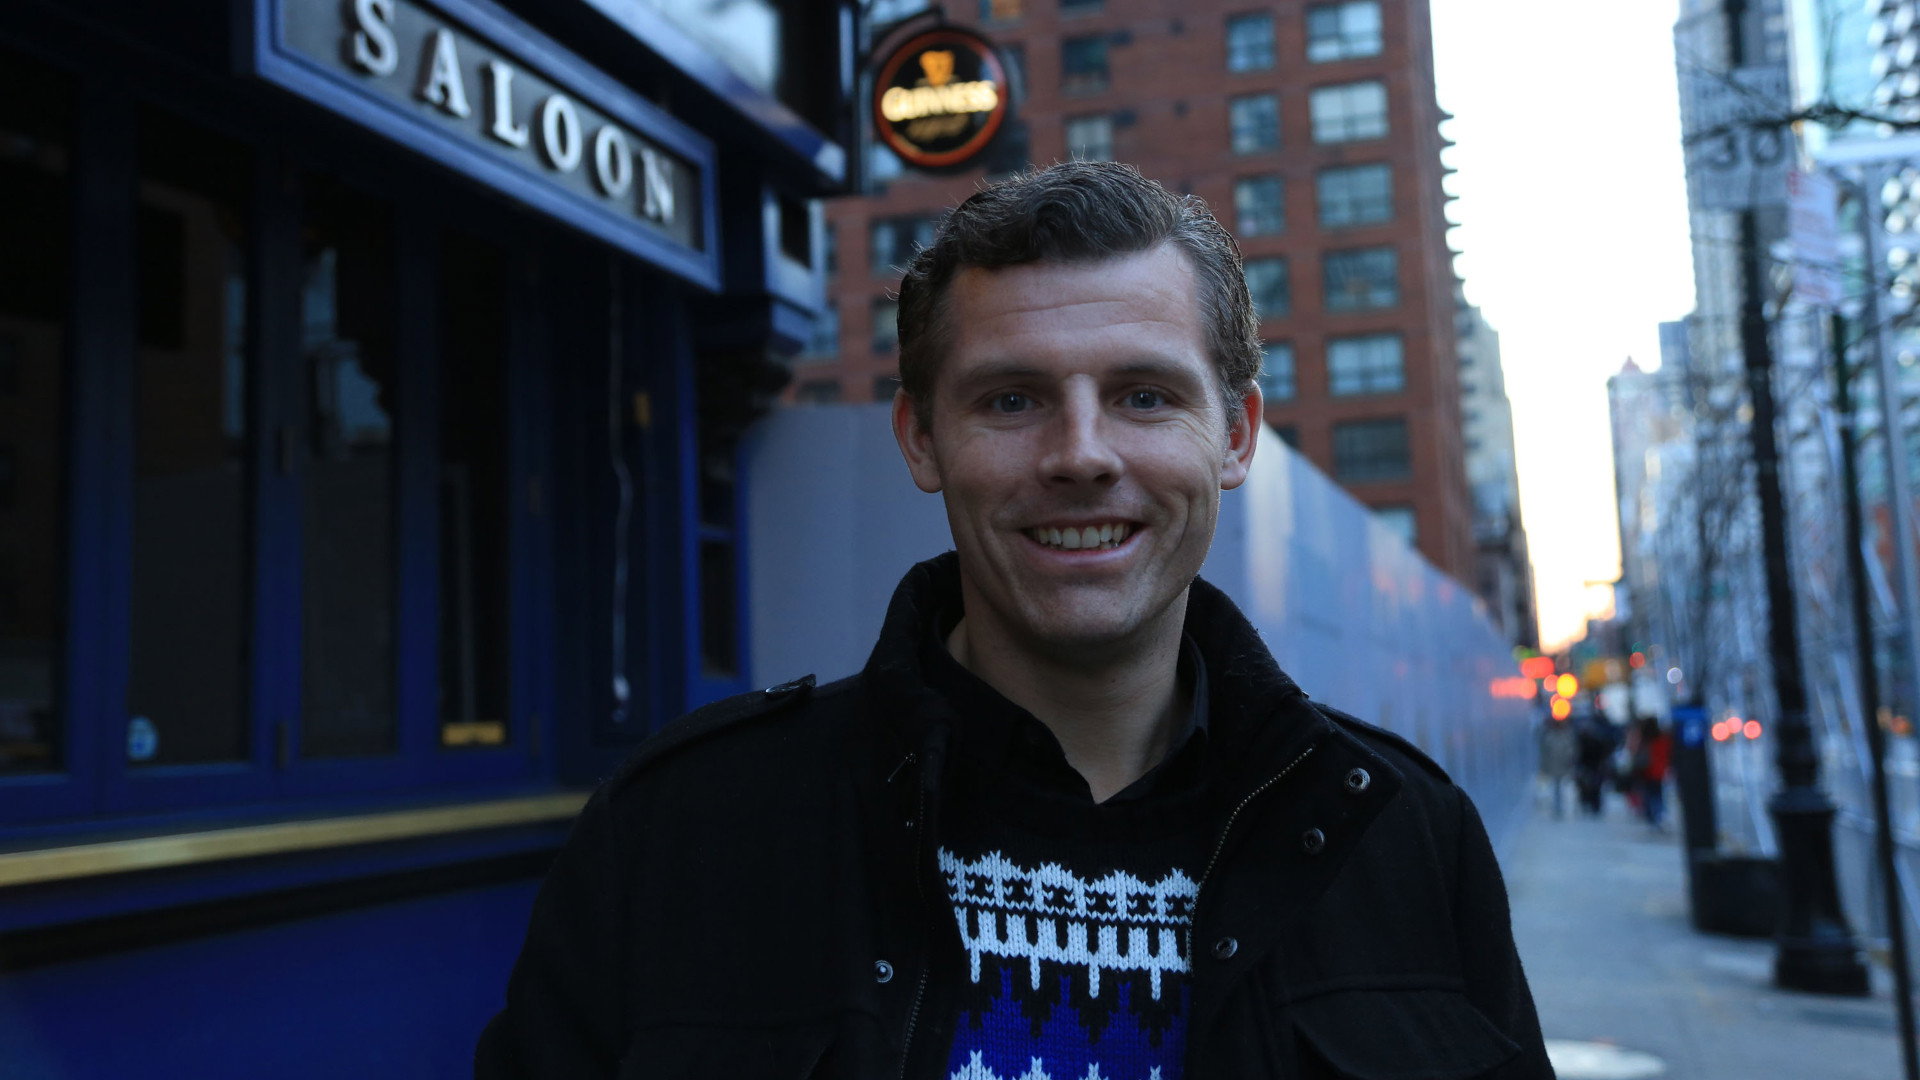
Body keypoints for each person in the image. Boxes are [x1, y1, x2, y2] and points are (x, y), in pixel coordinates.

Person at [475, 161, 1551, 1079]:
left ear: (1234, 436)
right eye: (1011, 400)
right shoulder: (684, 832)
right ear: (921, 440)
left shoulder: (1405, 838)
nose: (1081, 454)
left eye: (1144, 395)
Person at [1536, 712, 1577, 819]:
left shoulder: (1566, 735)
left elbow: (1570, 750)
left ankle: (1561, 807)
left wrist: (1570, 761)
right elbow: (1545, 752)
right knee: (1556, 787)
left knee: (1561, 787)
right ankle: (1557, 807)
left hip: (1562, 765)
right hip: (1554, 765)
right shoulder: (1550, 736)